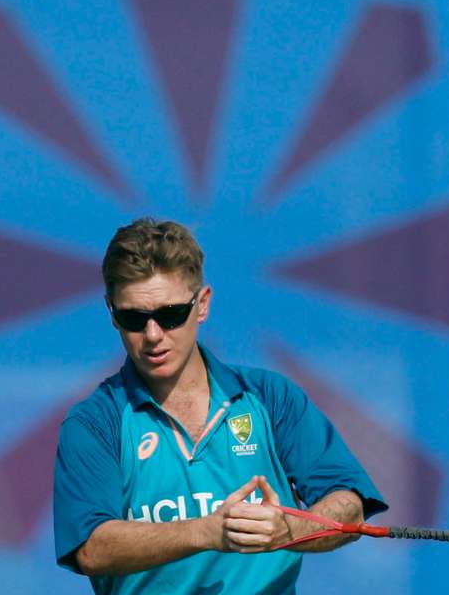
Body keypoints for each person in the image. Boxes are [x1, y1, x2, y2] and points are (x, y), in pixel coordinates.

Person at [54, 218, 387, 594]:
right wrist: (206, 531)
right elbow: (90, 548)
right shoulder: (95, 423)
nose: (153, 335)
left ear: (203, 304)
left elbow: (348, 504)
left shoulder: (269, 397)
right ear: (112, 313)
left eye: (170, 315)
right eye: (134, 318)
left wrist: (289, 529)